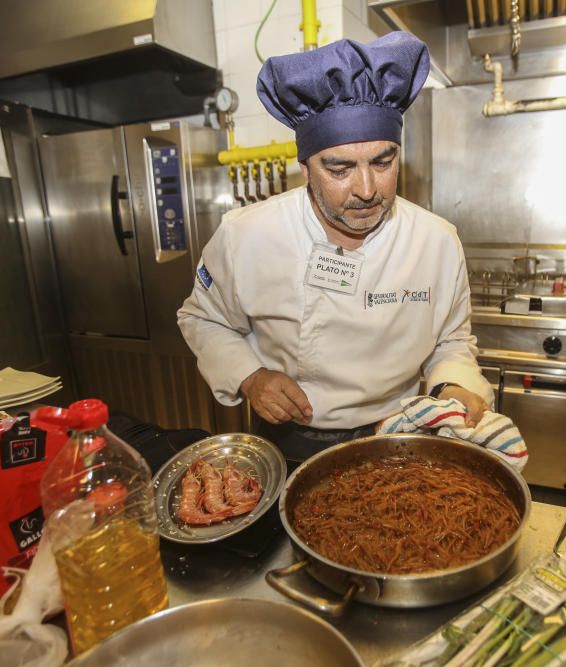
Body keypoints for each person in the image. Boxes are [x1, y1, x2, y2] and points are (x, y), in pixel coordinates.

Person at [177, 32, 492, 462]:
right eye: (340, 168)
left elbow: (451, 341)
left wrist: (453, 383)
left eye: (383, 162)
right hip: (288, 442)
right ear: (305, 167)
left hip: (397, 433)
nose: (366, 190)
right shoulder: (246, 235)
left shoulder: (436, 241)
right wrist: (250, 376)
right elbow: (203, 318)